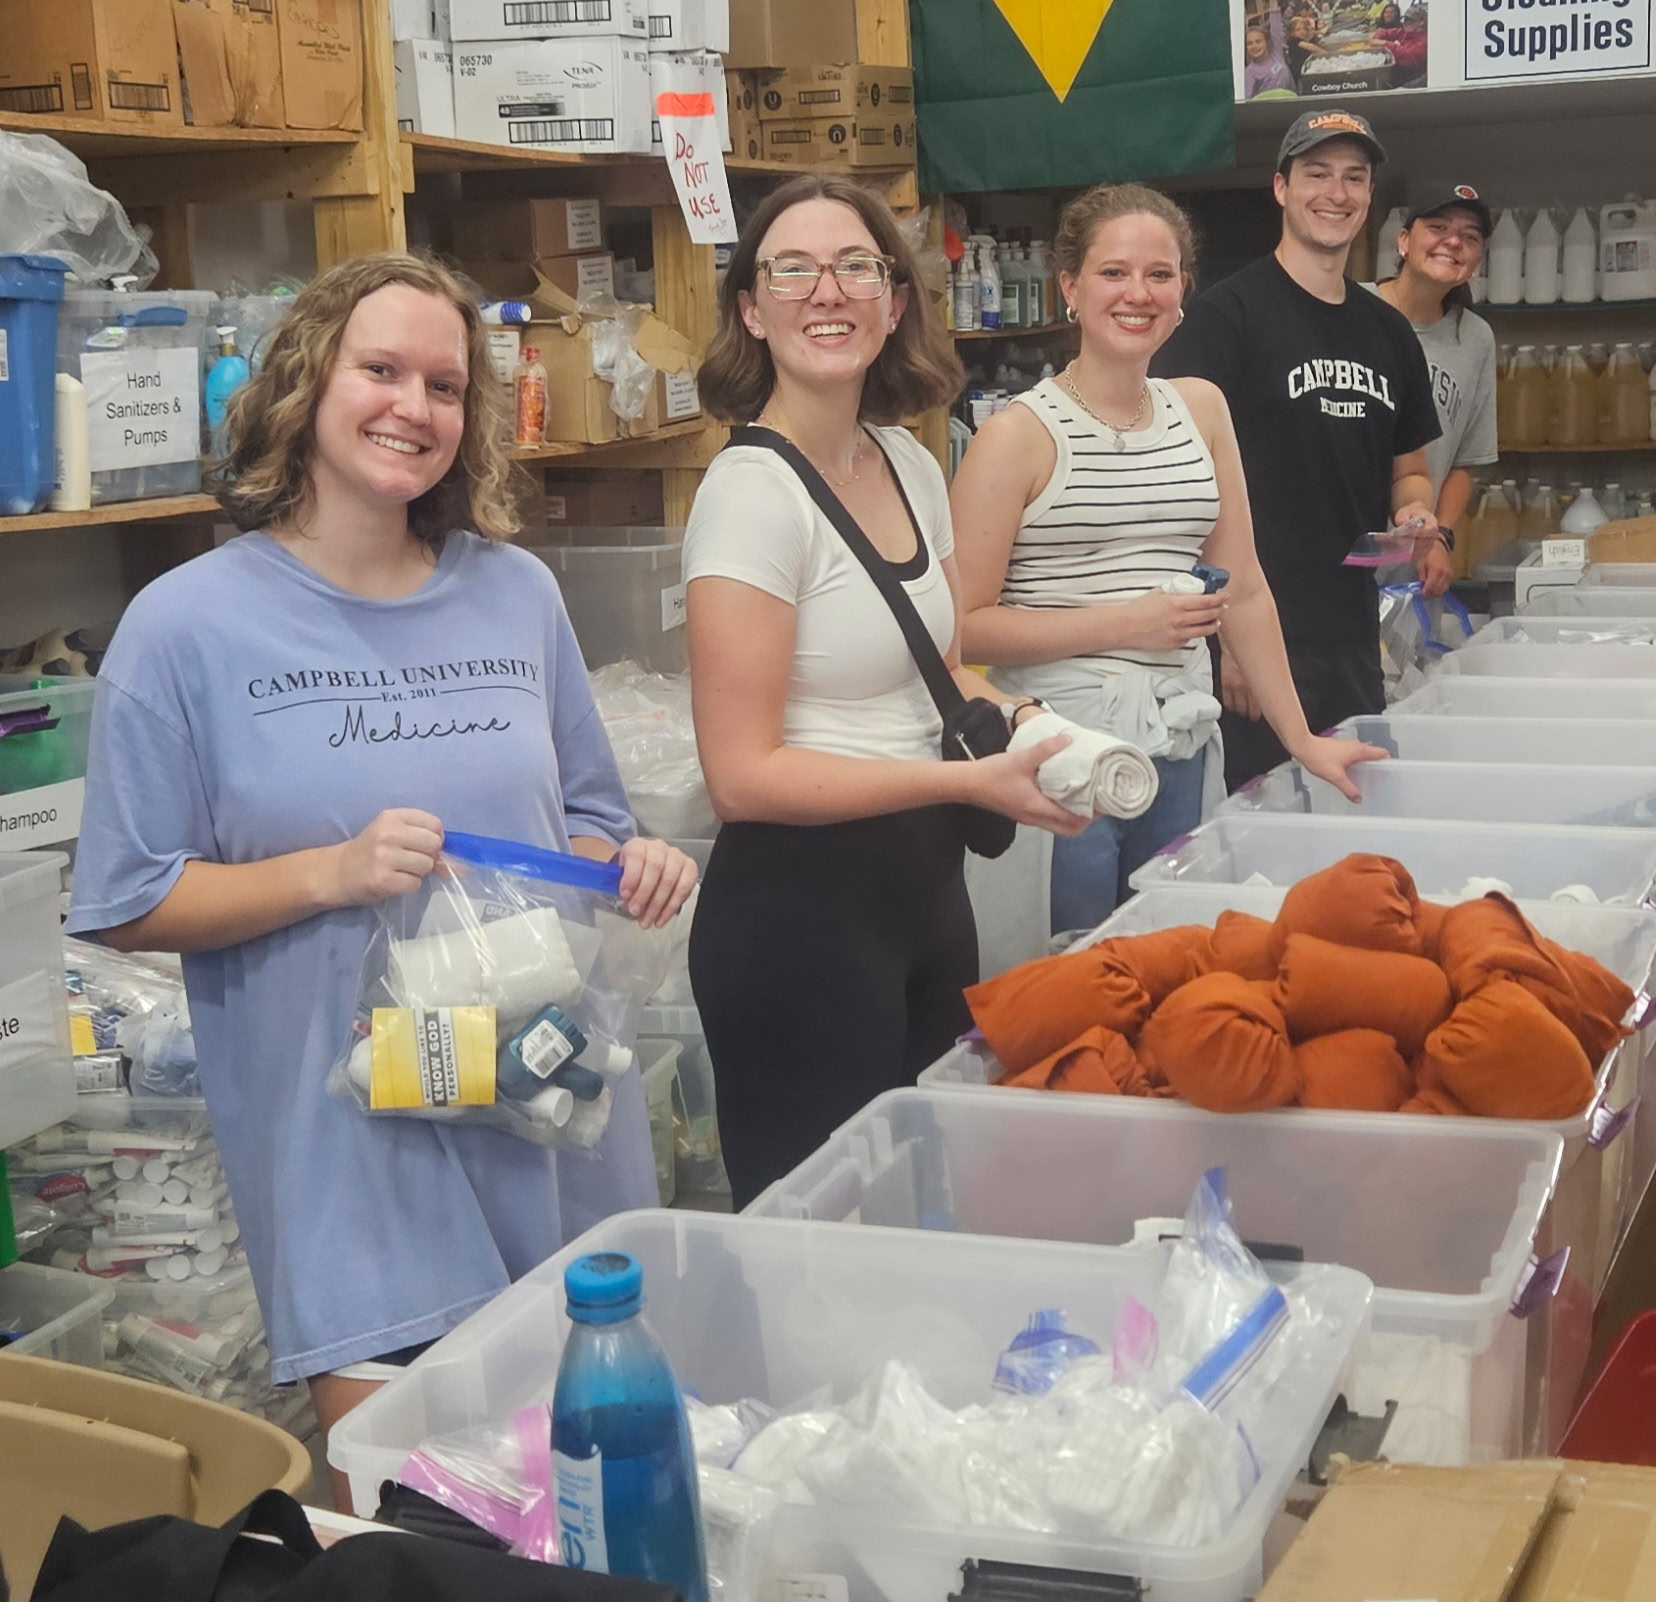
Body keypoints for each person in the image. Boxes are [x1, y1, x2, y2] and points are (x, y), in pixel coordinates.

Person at [64, 253, 699, 1492]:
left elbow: (585, 826)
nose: (415, 406)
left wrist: (635, 867)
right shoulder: (185, 626)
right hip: (347, 1155)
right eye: (383, 370)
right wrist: (330, 873)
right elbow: (130, 900)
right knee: (426, 1523)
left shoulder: (515, 595)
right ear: (307, 381)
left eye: (447, 385)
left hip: (545, 1117)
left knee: (589, 1509)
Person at [683, 174, 1088, 1207]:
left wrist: (1033, 728)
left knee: (920, 1216)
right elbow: (743, 776)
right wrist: (961, 785)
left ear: (895, 300)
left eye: (857, 266)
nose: (830, 292)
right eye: (794, 270)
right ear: (751, 308)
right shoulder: (748, 496)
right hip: (796, 922)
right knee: (816, 1249)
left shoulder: (908, 461)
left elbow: (938, 661)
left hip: (922, 895)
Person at [952, 184, 1385, 935]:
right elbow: (960, 629)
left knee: (1176, 962)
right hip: (1061, 754)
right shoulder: (1018, 436)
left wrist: (1301, 739)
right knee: (1076, 974)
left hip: (1182, 743)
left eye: (1160, 274)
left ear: (1184, 291)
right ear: (1071, 288)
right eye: (1114, 272)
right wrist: (1129, 624)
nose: (1138, 293)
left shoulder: (1202, 409)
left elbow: (1245, 589)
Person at [1153, 109, 1443, 791]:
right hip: (1250, 642)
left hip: (1349, 638)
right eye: (1317, 174)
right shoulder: (1227, 318)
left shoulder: (1389, 332)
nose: (1335, 193)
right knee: (1256, 839)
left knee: (1350, 819)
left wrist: (1415, 514)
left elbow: (1410, 469)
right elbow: (1174, 482)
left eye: (1354, 178)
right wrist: (1220, 638)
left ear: (1370, 196)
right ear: (1281, 187)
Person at [1367, 187, 1498, 562]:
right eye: (1438, 227)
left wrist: (1440, 535)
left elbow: (1467, 459)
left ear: (1477, 261)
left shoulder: (1476, 338)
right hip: (1341, 549)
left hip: (1415, 556)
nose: (1453, 241)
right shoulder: (1352, 308)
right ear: (1404, 241)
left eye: (1470, 237)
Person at [1245, 0, 1295, 98]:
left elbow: (1275, 20)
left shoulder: (1276, 52)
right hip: (1270, 109)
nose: (1254, 46)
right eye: (1249, 43)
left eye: (1258, 41)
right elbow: (1247, 101)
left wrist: (1272, 3)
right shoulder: (1250, 72)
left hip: (1292, 98)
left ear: (1267, 42)